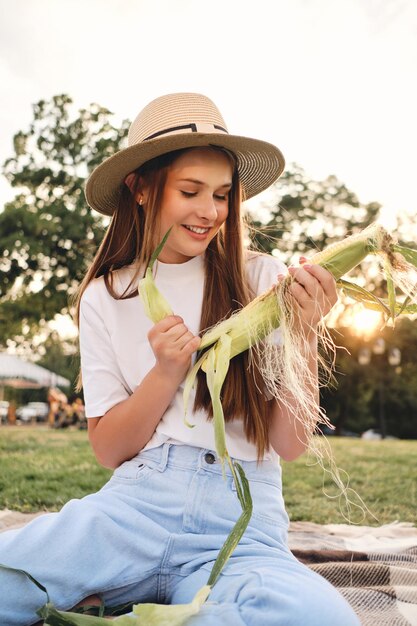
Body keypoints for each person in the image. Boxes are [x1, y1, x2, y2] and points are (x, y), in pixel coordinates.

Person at [0, 93, 360, 625]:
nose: (211, 211)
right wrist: (165, 374)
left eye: (221, 194)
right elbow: (109, 448)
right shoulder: (105, 296)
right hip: (134, 509)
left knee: (322, 619)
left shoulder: (262, 279)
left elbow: (289, 443)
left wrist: (305, 336)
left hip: (241, 518)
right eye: (190, 191)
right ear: (140, 187)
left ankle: (117, 605)